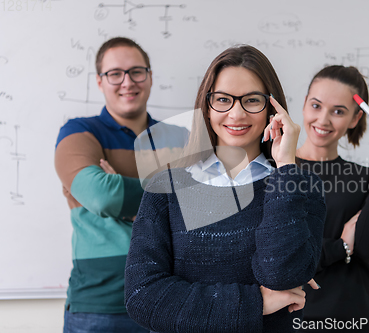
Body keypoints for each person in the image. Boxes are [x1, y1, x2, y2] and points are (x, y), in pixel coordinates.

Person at [124, 45, 326, 333]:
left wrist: (285, 168)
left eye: (252, 100)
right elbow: (142, 297)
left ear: (272, 107)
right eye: (223, 100)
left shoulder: (299, 186)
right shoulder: (164, 189)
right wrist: (255, 303)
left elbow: (281, 274)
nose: (236, 113)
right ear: (206, 107)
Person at [54, 37, 189, 333]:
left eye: (136, 71)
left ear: (150, 77)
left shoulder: (180, 139)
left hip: (169, 298)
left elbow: (202, 206)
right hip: (99, 306)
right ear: (100, 81)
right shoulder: (79, 132)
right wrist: (167, 194)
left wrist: (122, 189)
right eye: (115, 73)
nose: (127, 82)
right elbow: (103, 197)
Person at [296, 65, 369, 332]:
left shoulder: (367, 178)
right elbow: (281, 254)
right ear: (304, 105)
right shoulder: (275, 171)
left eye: (338, 111)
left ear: (355, 119)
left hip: (356, 320)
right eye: (316, 105)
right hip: (291, 320)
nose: (323, 120)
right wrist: (341, 248)